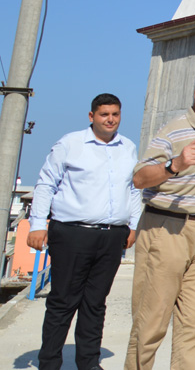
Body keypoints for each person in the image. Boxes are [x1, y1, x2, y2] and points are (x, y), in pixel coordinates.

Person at [124, 66, 195, 370]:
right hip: (166, 230)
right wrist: (174, 165)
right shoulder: (173, 130)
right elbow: (140, 178)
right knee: (150, 323)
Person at [27, 93, 141, 370]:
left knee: (95, 303)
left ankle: (88, 362)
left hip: (112, 236)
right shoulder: (70, 144)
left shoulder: (128, 147)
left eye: (115, 114)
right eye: (104, 114)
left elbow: (134, 188)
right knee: (63, 301)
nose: (110, 119)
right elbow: (46, 184)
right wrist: (38, 224)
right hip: (72, 234)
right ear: (92, 117)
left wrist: (134, 224)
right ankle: (49, 363)